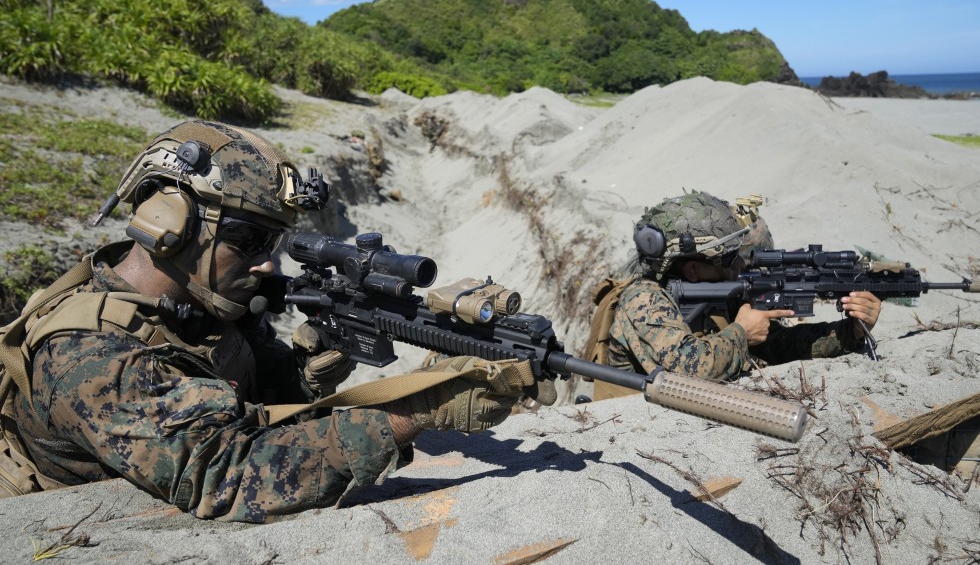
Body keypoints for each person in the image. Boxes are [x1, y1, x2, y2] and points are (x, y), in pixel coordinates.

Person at [1, 120, 533, 521]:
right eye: (249, 241)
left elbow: (255, 394)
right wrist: (415, 409)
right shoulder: (85, 355)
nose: (266, 264)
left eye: (273, 243)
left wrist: (316, 359)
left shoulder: (202, 301)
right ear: (168, 224)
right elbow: (225, 475)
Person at [586, 191, 882, 398]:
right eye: (729, 258)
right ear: (692, 270)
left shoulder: (715, 293)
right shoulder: (643, 300)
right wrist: (742, 333)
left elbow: (777, 346)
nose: (740, 264)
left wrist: (849, 332)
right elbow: (687, 370)